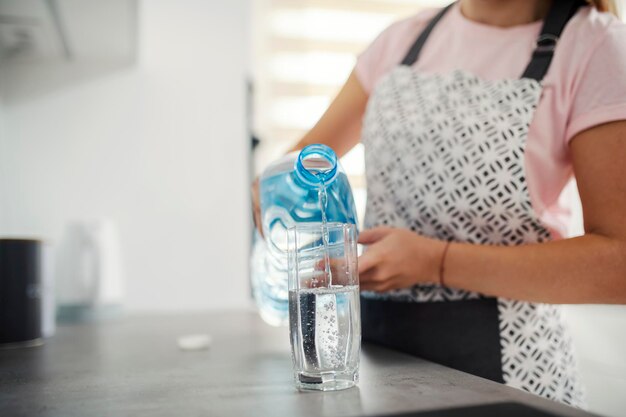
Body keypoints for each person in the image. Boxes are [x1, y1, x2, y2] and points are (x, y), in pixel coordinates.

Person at [252, 0, 626, 406]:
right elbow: (305, 160)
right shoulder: (402, 40)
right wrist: (274, 188)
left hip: (511, 376)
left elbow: (618, 264)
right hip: (381, 368)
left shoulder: (595, 46)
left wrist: (435, 262)